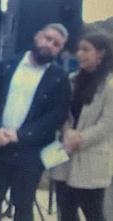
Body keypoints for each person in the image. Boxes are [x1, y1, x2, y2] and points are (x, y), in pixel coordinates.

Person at [0, 23, 71, 221]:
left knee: (23, 206)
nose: (50, 45)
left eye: (56, 44)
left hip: (29, 152)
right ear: (37, 36)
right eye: (48, 38)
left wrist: (20, 135)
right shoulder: (7, 65)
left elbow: (56, 116)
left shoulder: (59, 79)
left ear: (60, 49)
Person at [51, 32, 113, 221]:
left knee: (93, 213)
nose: (79, 54)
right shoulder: (72, 80)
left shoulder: (109, 85)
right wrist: (67, 131)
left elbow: (107, 123)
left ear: (101, 53)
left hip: (91, 161)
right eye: (79, 49)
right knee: (66, 211)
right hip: (65, 156)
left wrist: (80, 138)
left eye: (86, 50)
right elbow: (62, 113)